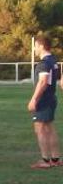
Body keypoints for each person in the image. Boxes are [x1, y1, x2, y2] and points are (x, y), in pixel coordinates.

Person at [27, 35, 61, 169]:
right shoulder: (53, 60)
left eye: (35, 46)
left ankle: (46, 161)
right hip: (51, 98)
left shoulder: (43, 63)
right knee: (50, 128)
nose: (34, 49)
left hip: (44, 100)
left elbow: (43, 82)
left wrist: (34, 99)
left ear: (41, 46)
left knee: (39, 128)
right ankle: (55, 159)